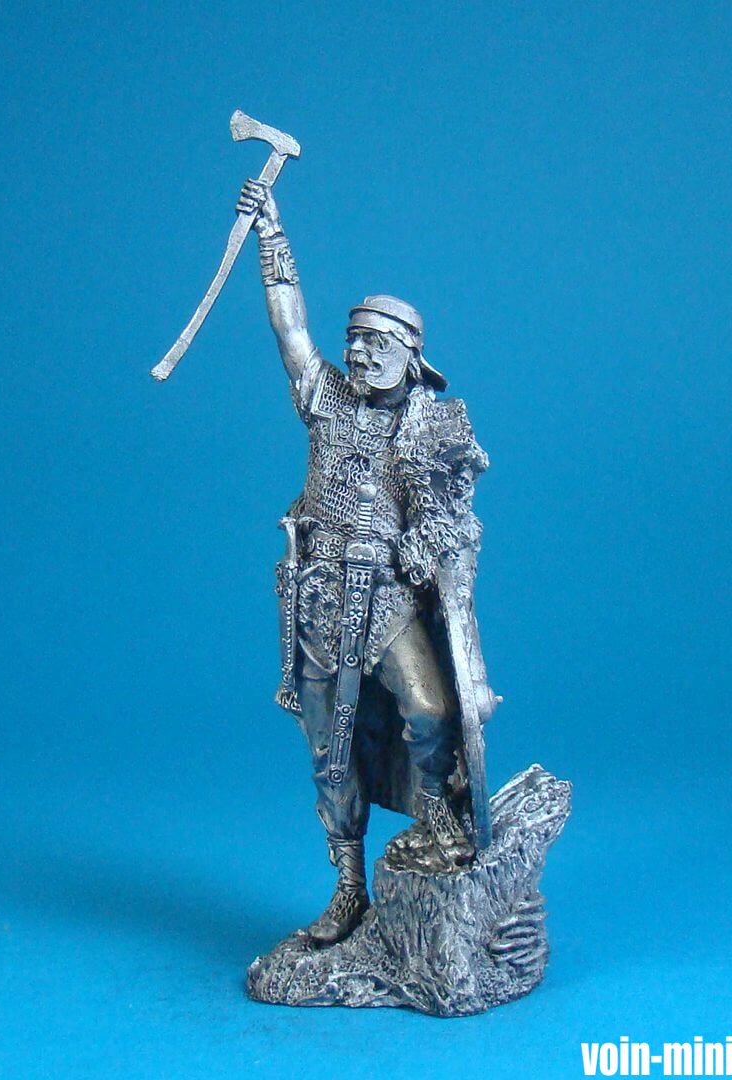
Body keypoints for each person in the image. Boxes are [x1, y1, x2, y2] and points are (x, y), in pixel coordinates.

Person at [238, 178, 498, 946]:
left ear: (412, 359)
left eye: (377, 344)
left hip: (384, 595)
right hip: (319, 595)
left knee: (430, 710)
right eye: (355, 341)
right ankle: (349, 886)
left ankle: (440, 818)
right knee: (330, 753)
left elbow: (451, 521)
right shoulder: (325, 399)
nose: (359, 353)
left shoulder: (431, 427)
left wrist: (425, 545)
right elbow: (290, 326)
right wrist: (270, 235)